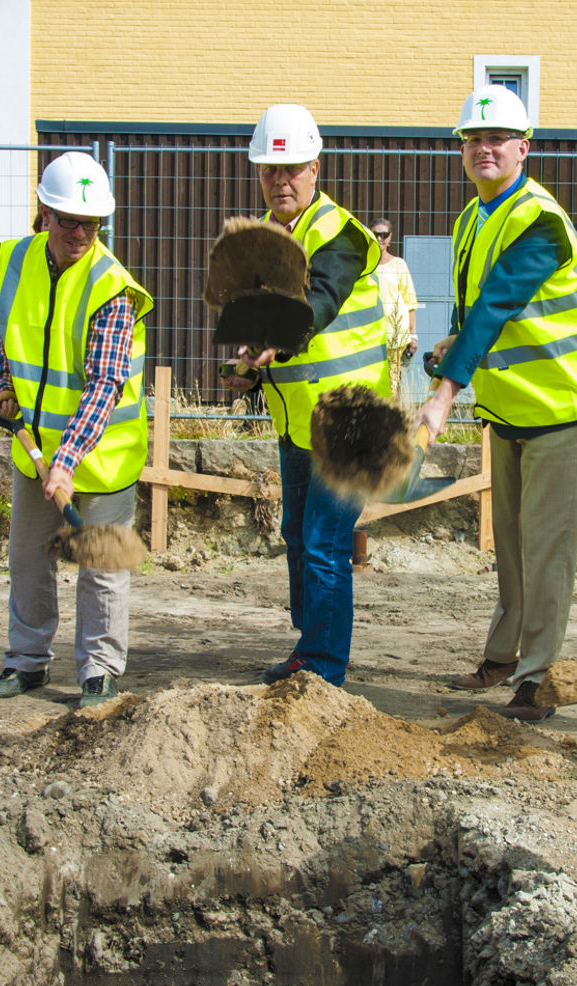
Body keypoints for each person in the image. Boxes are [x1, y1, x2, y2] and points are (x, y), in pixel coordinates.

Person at [414, 84, 577, 720]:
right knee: (513, 543)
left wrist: (444, 395)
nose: (483, 149)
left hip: (559, 402)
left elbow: (499, 301)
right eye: (473, 139)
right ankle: (503, 654)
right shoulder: (475, 215)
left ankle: (537, 677)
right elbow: (477, 309)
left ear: (524, 148)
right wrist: (453, 343)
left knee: (548, 543)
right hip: (511, 404)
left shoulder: (540, 220)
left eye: (496, 139)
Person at [221, 104, 389, 688]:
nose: (280, 180)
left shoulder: (338, 234)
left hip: (351, 421)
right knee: (297, 536)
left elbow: (319, 301)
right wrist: (252, 372)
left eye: (292, 168)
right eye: (270, 169)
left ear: (316, 168)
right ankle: (311, 644)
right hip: (298, 423)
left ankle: (323, 670)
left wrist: (274, 338)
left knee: (322, 543)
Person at [0, 151, 154, 709]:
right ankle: (26, 661)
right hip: (33, 446)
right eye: (68, 220)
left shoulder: (112, 288)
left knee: (99, 564)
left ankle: (99, 671)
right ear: (45, 212)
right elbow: (3, 333)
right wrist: (5, 384)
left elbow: (104, 384)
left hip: (100, 455)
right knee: (29, 558)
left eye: (92, 223)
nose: (81, 232)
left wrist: (68, 458)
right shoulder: (13, 261)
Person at [369, 217, 419, 398]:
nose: (380, 239)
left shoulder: (399, 265)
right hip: (372, 334)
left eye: (384, 235)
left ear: (390, 238)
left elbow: (410, 300)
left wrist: (413, 335)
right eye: (376, 234)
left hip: (396, 334)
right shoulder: (365, 265)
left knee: (392, 382)